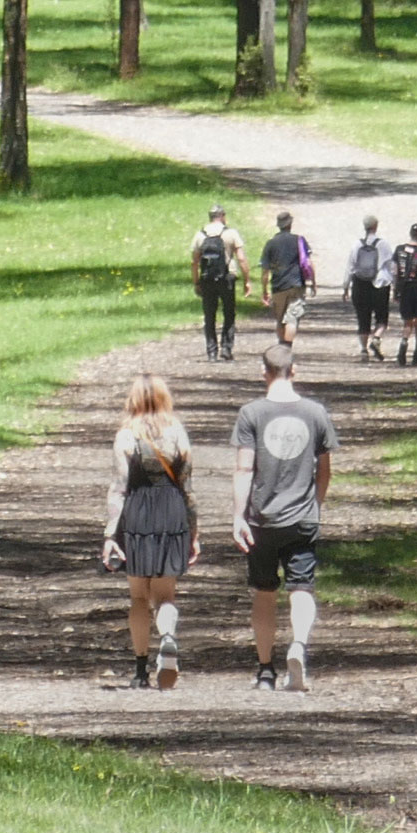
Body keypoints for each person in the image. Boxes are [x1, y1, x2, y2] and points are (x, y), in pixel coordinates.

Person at [227, 346, 337, 692]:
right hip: (302, 518)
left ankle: (264, 671)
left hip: (262, 519)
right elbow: (324, 471)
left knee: (263, 593)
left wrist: (238, 515)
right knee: (301, 587)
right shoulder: (315, 413)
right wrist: (314, 506)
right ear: (295, 371)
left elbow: (244, 468)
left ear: (265, 373)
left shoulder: (251, 413)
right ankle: (298, 647)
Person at [99, 377, 202, 689]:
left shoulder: (127, 435)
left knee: (139, 597)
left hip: (138, 515)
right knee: (166, 595)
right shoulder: (177, 432)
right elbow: (187, 487)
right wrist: (193, 531)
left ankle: (141, 669)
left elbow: (119, 487)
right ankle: (168, 637)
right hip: (171, 513)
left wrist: (109, 535)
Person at [190, 207, 244, 357]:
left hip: (207, 278)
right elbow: (241, 258)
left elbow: (194, 262)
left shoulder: (200, 235)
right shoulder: (231, 233)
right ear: (223, 216)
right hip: (227, 277)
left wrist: (196, 282)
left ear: (210, 217)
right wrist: (247, 280)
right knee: (229, 313)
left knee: (209, 315)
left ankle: (211, 351)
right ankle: (226, 348)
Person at [260, 210, 315, 344]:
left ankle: (281, 346)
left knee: (280, 320)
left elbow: (265, 271)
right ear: (290, 224)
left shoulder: (270, 243)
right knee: (292, 319)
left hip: (278, 286)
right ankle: (287, 347)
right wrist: (313, 282)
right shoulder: (299, 240)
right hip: (296, 284)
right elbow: (308, 263)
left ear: (278, 225)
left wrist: (264, 291)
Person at [344, 218, 391, 361]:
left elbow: (350, 267)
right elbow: (391, 267)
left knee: (363, 318)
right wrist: (396, 285)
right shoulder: (383, 244)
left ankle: (364, 350)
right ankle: (376, 338)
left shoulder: (356, 245)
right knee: (382, 317)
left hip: (360, 283)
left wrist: (346, 287)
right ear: (376, 226)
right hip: (380, 285)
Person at [390, 224, 417, 366]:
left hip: (404, 288)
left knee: (407, 321)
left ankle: (402, 350)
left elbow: (395, 272)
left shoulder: (399, 250)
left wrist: (395, 290)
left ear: (410, 233)